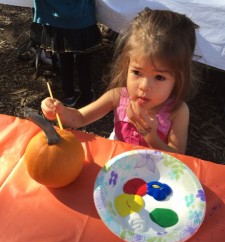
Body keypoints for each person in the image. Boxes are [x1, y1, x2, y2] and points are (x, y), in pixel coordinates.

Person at [41, 8, 199, 154]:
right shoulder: (117, 97)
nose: (144, 87)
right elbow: (80, 118)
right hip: (116, 164)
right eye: (137, 72)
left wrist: (151, 136)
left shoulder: (177, 111)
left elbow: (177, 158)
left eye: (159, 77)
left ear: (179, 77)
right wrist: (59, 112)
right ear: (127, 65)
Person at [33, 0, 102, 107]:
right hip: (82, 20)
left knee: (64, 58)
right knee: (84, 61)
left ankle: (69, 95)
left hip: (57, 21)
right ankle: (86, 95)